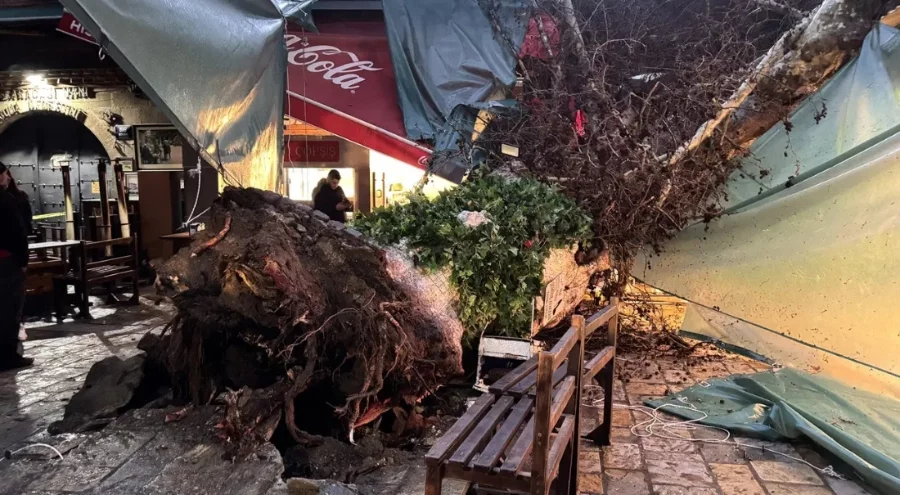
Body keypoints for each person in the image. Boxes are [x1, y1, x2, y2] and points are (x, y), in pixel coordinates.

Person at [0, 162, 33, 370]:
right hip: (6, 263)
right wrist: (22, 262)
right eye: (5, 174)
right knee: (9, 310)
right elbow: (18, 233)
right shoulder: (6, 200)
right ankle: (7, 356)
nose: (8, 177)